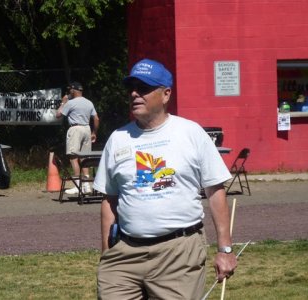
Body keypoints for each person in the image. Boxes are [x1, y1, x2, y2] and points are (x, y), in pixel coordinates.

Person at [94, 58, 237, 299]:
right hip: (125, 253)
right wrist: (107, 254)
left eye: (144, 88)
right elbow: (110, 200)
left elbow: (215, 192)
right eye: (131, 88)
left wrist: (225, 249)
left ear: (166, 94)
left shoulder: (191, 133)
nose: (135, 94)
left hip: (178, 253)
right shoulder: (118, 138)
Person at [56, 81, 100, 194]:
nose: (69, 91)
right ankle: (87, 185)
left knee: (73, 157)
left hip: (75, 129)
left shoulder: (71, 103)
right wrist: (94, 132)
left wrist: (63, 102)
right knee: (85, 158)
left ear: (73, 90)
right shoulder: (89, 102)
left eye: (70, 89)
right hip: (86, 128)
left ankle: (77, 185)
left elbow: (58, 115)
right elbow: (96, 119)